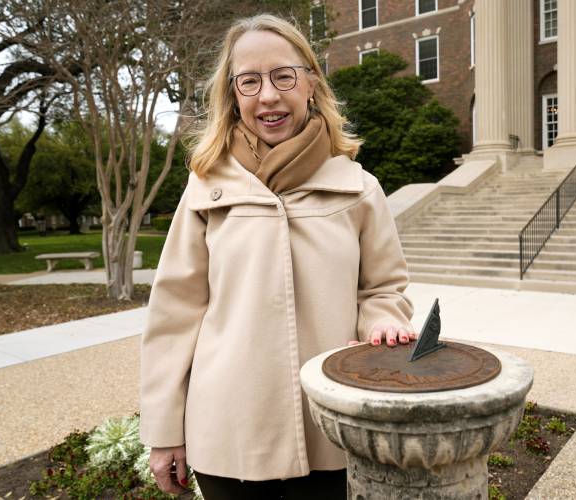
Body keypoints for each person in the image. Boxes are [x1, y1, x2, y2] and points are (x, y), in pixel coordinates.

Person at [139, 13, 416, 500]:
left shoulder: (358, 187)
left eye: (282, 76)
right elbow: (173, 314)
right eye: (249, 81)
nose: (268, 96)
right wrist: (163, 432)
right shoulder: (206, 188)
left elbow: (382, 288)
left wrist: (382, 321)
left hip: (331, 428)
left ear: (310, 82)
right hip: (227, 432)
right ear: (233, 96)